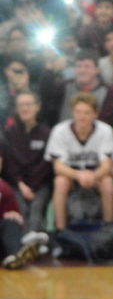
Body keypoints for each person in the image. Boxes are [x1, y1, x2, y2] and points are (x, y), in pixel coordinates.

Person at [45, 93, 113, 230]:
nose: (81, 116)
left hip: (96, 174)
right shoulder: (60, 131)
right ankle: (60, 230)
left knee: (107, 182)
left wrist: (93, 176)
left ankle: (108, 228)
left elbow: (107, 165)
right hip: (71, 174)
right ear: (72, 112)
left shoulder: (105, 130)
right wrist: (79, 175)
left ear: (95, 114)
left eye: (86, 112)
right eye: (78, 112)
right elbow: (58, 167)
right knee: (60, 182)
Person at [0, 92, 51, 238]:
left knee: (37, 207)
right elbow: (8, 165)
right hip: (16, 184)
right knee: (20, 206)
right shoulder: (8, 134)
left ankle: (34, 238)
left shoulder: (47, 133)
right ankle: (23, 241)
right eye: (21, 105)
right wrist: (21, 185)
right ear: (16, 108)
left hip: (40, 184)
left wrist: (33, 187)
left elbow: (46, 165)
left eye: (28, 104)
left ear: (37, 107)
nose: (25, 108)